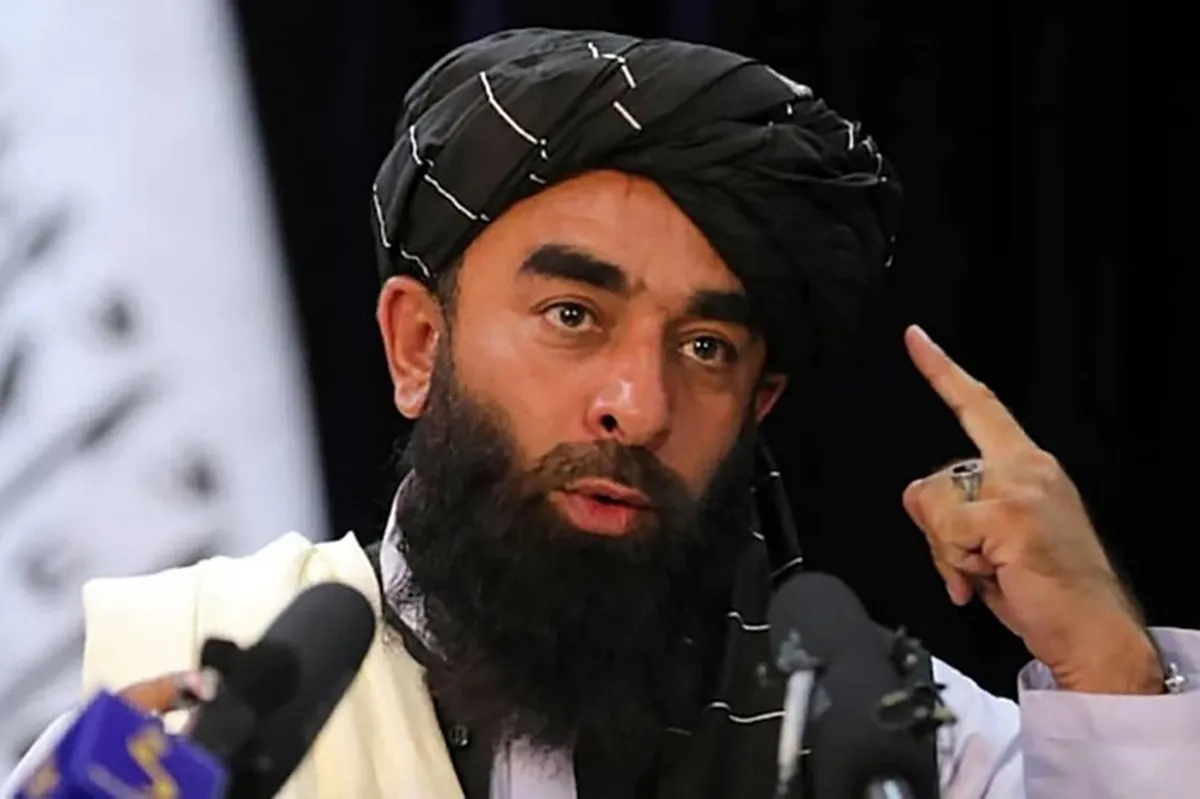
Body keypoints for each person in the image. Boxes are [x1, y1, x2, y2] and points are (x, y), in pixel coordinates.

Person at [4, 27, 1198, 799]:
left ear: (758, 405)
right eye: (573, 315)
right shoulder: (176, 709)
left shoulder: (882, 740)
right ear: (417, 346)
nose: (639, 403)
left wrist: (1104, 662)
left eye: (707, 347)